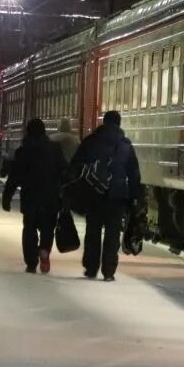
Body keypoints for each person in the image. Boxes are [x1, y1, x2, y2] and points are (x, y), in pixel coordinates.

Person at [68, 110, 141, 281]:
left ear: (103, 122)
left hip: (94, 193)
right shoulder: (125, 145)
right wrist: (134, 197)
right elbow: (134, 174)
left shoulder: (91, 141)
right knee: (113, 234)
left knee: (93, 231)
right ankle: (109, 271)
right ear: (119, 123)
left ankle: (91, 267)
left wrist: (74, 190)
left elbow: (76, 165)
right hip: (117, 196)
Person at [2, 118, 67, 274]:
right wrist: (65, 193)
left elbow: (14, 176)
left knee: (29, 229)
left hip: (30, 197)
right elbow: (65, 171)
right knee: (47, 228)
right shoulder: (55, 149)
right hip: (50, 197)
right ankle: (44, 250)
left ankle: (31, 262)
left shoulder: (23, 151)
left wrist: (7, 197)